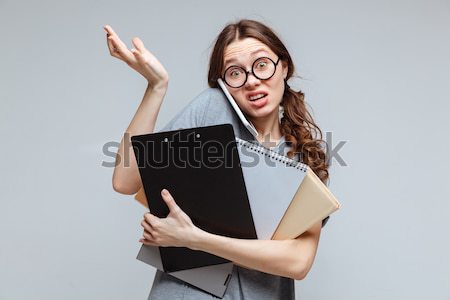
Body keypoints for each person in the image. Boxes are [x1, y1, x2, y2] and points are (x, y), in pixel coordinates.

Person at [105, 19, 330, 300]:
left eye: (262, 64)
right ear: (224, 83)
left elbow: (298, 262)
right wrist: (156, 87)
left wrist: (195, 239)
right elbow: (125, 181)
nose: (252, 81)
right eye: (235, 73)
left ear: (283, 66)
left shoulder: (304, 155)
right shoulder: (212, 109)